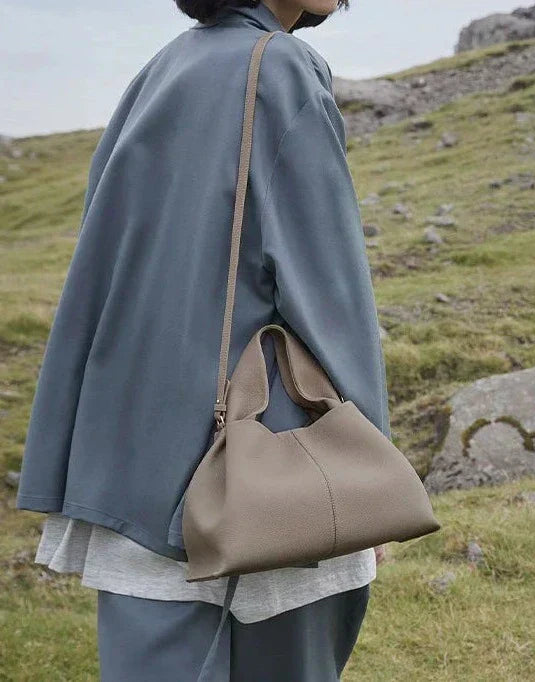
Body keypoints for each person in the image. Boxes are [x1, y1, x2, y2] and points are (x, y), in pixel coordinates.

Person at [15, 0, 391, 680]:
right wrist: (371, 472)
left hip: (132, 455)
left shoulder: (162, 69)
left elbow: (105, 259)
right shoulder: (281, 67)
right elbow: (325, 288)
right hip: (261, 476)